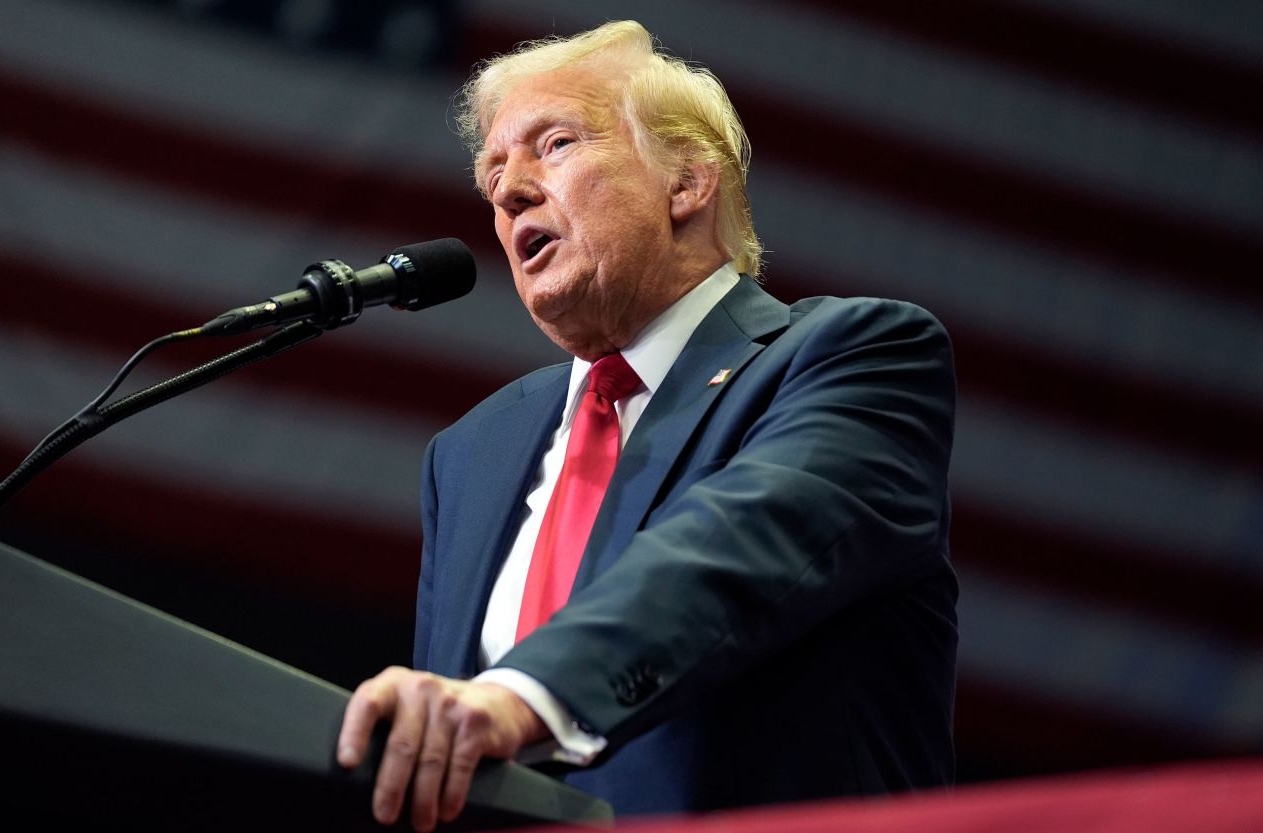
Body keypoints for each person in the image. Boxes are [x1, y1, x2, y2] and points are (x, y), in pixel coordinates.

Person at [336, 20, 958, 830]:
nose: (508, 190)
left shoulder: (852, 358)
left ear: (687, 183)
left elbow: (733, 551)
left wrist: (521, 696)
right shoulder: (470, 455)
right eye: (493, 174)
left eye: (552, 145)